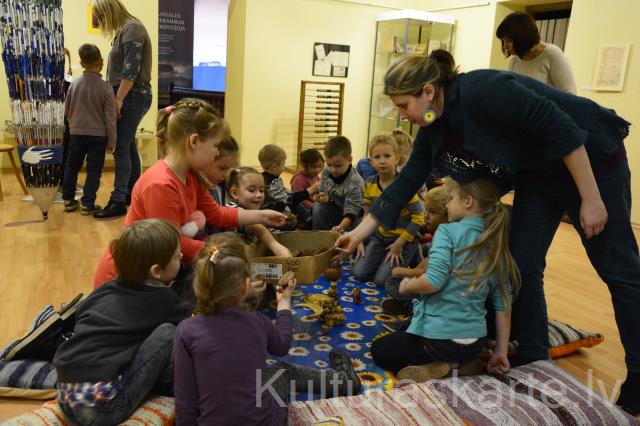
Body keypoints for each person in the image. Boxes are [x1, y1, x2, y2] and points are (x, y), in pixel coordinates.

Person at [334, 51, 640, 415]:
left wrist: (591, 198)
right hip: (540, 175)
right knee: (522, 264)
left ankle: (638, 374)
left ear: (428, 92)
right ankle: (534, 358)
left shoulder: (485, 89)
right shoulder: (435, 126)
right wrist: (361, 232)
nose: (401, 115)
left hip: (591, 163)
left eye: (403, 105)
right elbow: (407, 182)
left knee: (620, 273)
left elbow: (563, 131)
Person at [93, 98, 286, 288]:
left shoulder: (190, 176)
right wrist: (223, 254)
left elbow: (216, 213)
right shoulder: (160, 185)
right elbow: (172, 246)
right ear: (194, 141)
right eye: (215, 145)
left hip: (153, 276)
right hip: (127, 281)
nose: (216, 152)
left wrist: (262, 215)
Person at [173, 233, 360, 425]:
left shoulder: (186, 331)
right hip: (265, 422)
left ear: (199, 282)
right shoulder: (256, 321)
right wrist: (284, 302)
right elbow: (281, 346)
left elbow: (185, 402)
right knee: (280, 370)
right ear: (246, 285)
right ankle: (343, 381)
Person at [371, 178, 518, 383]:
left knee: (381, 349)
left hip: (439, 342)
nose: (447, 205)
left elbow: (433, 281)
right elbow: (503, 306)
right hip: (474, 344)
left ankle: (444, 365)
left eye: (450, 199)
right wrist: (500, 351)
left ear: (467, 201)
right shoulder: (496, 241)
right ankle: (464, 364)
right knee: (411, 332)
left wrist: (408, 285)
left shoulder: (448, 231)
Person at [54, 219, 192, 425]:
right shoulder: (163, 300)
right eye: (176, 256)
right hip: (104, 410)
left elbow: (82, 312)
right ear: (156, 271)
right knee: (167, 334)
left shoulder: (107, 288)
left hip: (65, 395)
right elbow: (193, 325)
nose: (181, 257)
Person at [92, 0, 153, 218]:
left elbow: (131, 70)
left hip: (132, 94)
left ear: (108, 11)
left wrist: (118, 99)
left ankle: (118, 200)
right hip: (128, 94)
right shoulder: (124, 30)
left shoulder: (133, 28)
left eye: (101, 16)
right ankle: (132, 193)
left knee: (119, 147)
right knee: (127, 145)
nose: (101, 22)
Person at [352, 135, 424, 289]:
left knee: (381, 281)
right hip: (380, 238)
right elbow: (367, 213)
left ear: (397, 159)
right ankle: (384, 262)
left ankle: (412, 254)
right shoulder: (369, 183)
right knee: (358, 273)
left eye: (387, 156)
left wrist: (400, 243)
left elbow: (419, 217)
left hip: (403, 239)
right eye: (377, 157)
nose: (382, 161)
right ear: (371, 161)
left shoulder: (405, 185)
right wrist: (361, 240)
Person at [61, 44, 116, 215]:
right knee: (94, 170)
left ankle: (69, 200)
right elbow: (110, 118)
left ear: (82, 63)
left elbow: (67, 111)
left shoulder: (74, 85)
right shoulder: (106, 87)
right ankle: (87, 204)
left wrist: (74, 125)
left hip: (76, 133)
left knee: (72, 166)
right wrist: (112, 140)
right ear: (101, 62)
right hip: (98, 137)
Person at [383, 184, 449, 316]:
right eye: (426, 210)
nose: (426, 216)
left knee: (391, 282)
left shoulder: (445, 238)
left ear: (449, 214)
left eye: (433, 212)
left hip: (434, 289)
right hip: (431, 283)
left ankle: (413, 309)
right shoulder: (444, 232)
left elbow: (428, 274)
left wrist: (404, 272)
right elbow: (428, 260)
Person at [496, 11, 576, 94]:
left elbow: (570, 94)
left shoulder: (552, 54)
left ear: (523, 36)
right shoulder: (514, 61)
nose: (505, 46)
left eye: (508, 40)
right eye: (503, 41)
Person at [224, 167, 292, 257]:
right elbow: (255, 227)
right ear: (235, 193)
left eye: (262, 190)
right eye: (251, 190)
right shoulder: (232, 207)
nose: (259, 195)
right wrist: (276, 246)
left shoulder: (251, 209)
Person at [258, 144, 320, 230]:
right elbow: (290, 199)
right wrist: (310, 190)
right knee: (292, 219)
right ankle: (307, 220)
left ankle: (307, 218)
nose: (284, 168)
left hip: (266, 214)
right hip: (269, 220)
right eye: (283, 165)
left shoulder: (260, 177)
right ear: (275, 167)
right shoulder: (274, 182)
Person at [313, 136, 364, 232]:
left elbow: (352, 213)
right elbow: (325, 193)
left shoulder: (355, 183)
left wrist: (340, 227)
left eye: (338, 165)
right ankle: (319, 236)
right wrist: (324, 196)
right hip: (337, 209)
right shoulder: (326, 172)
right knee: (318, 206)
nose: (332, 169)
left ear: (350, 160)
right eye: (329, 164)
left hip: (352, 220)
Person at [204, 136, 240, 234]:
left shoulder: (219, 183)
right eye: (222, 168)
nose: (226, 174)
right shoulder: (202, 187)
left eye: (229, 169)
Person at [290, 148, 324, 219]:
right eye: (314, 167)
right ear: (304, 166)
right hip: (305, 211)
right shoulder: (298, 179)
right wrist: (315, 207)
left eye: (320, 166)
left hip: (314, 206)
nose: (318, 170)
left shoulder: (316, 176)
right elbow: (299, 201)